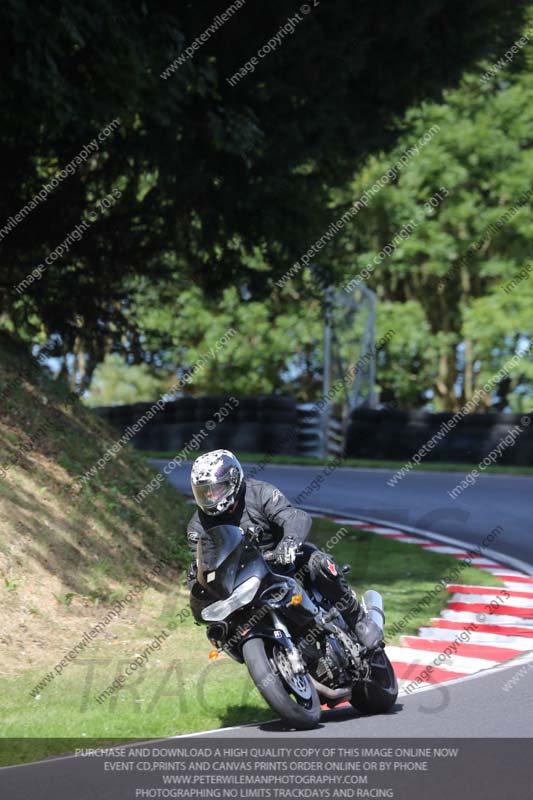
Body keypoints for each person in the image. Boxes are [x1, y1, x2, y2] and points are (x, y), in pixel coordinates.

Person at [186, 449, 361, 628]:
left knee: (318, 563)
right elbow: (202, 565)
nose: (210, 497)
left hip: (284, 565)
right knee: (219, 627)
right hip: (241, 585)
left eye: (215, 490)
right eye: (204, 492)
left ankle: (357, 618)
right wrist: (200, 588)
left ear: (233, 480)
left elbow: (294, 516)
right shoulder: (198, 525)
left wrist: (289, 543)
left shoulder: (261, 493)